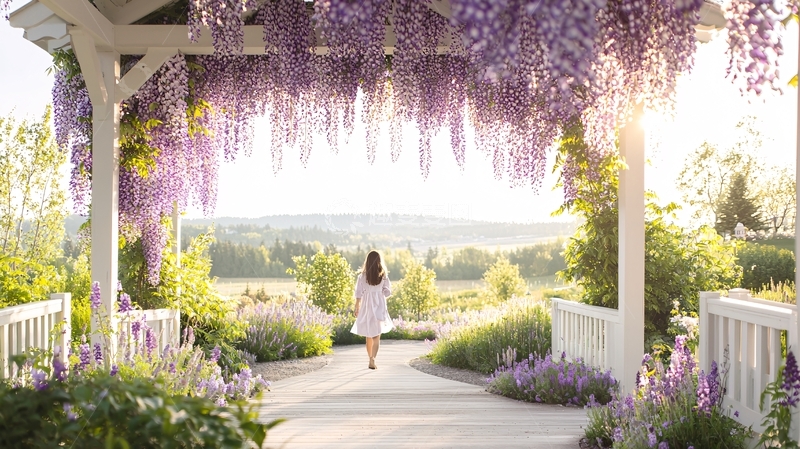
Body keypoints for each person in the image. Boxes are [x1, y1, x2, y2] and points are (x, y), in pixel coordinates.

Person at [351, 250, 394, 369]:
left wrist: (357, 306)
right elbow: (387, 292)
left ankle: (370, 358)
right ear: (379, 261)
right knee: (377, 336)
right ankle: (373, 359)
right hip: (379, 305)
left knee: (368, 335)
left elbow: (358, 293)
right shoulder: (383, 275)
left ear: (367, 261)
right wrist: (381, 291)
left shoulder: (362, 276)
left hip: (366, 306)